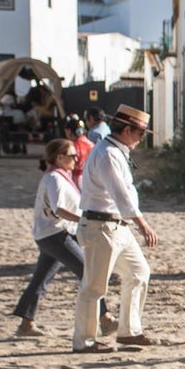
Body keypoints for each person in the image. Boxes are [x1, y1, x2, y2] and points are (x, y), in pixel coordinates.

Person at [72, 104, 159, 353]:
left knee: (139, 272)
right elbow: (120, 194)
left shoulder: (115, 151)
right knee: (94, 286)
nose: (141, 140)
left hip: (116, 226)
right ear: (128, 130)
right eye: (141, 134)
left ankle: (129, 332)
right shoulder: (108, 153)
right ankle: (84, 341)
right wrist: (142, 224)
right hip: (101, 226)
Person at [11, 140, 115, 339]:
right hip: (56, 234)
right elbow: (59, 208)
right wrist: (83, 219)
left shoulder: (58, 176)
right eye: (71, 155)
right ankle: (106, 319)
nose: (76, 159)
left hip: (49, 234)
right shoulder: (55, 179)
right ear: (59, 158)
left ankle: (26, 323)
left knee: (41, 279)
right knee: (89, 272)